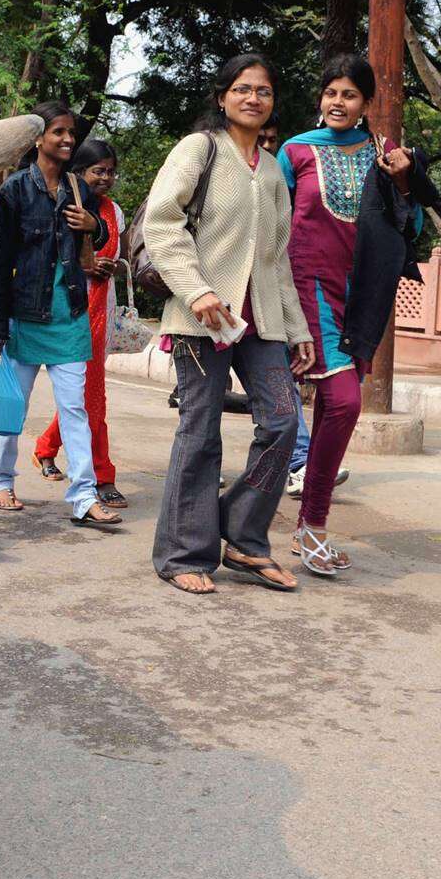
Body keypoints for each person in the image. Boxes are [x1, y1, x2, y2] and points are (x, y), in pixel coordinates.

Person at [146, 54, 313, 595]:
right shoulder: (200, 149)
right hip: (201, 320)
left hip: (260, 321)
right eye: (242, 89)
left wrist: (298, 330)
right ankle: (183, 553)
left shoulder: (270, 169)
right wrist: (196, 289)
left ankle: (243, 537)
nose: (253, 99)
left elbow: (277, 258)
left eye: (263, 91)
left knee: (284, 423)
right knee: (201, 432)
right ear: (222, 97)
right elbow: (162, 221)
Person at [276, 53, 421, 576]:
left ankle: (301, 529)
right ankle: (311, 525)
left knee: (332, 407)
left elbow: (413, 226)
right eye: (332, 92)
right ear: (321, 97)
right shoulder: (294, 152)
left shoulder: (385, 155)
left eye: (351, 95)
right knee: (343, 402)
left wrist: (404, 183)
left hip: (364, 294)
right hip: (307, 287)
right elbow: (268, 222)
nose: (339, 102)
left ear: (366, 104)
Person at [0, 101, 121, 528]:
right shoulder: (16, 191)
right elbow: (1, 256)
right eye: (58, 132)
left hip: (71, 315)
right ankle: (1, 481)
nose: (66, 139)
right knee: (14, 408)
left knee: (75, 410)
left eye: (70, 133)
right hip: (25, 316)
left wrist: (90, 226)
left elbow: (98, 239)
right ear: (38, 138)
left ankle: (83, 496)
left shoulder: (80, 189)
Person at [32, 139, 128, 508]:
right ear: (79, 173)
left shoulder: (113, 212)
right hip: (67, 311)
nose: (104, 178)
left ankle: (45, 447)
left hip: (101, 310)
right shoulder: (63, 205)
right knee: (90, 397)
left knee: (84, 396)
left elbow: (116, 257)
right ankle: (102, 475)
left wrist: (108, 264)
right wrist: (84, 265)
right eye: (97, 171)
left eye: (109, 171)